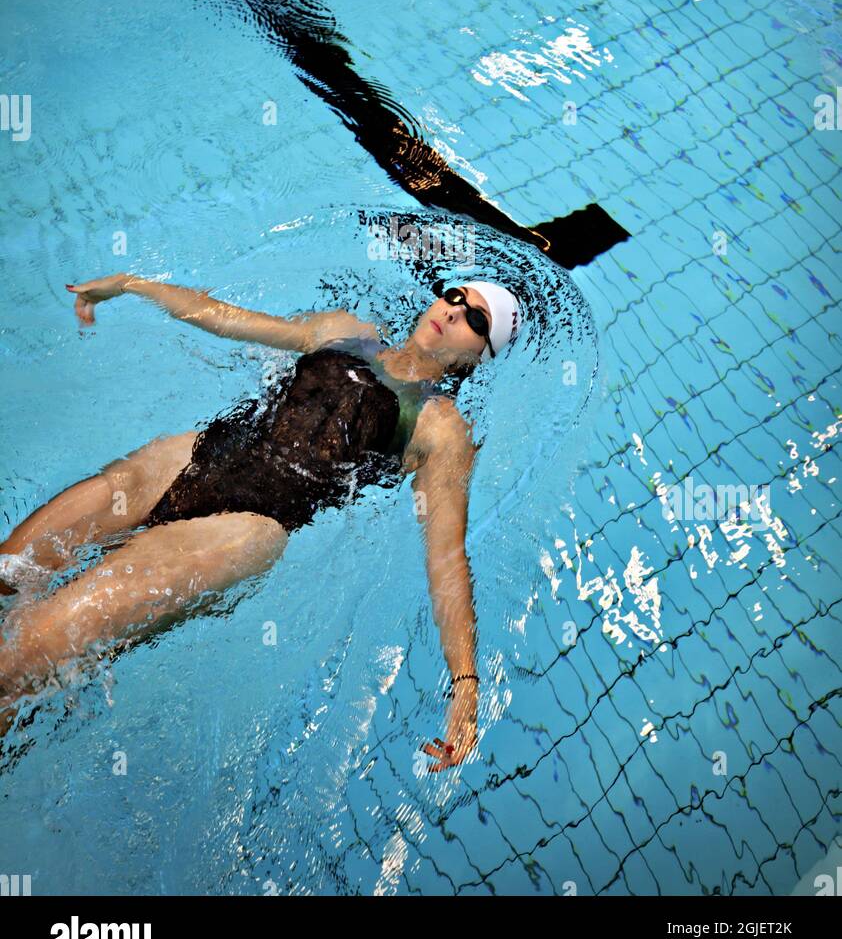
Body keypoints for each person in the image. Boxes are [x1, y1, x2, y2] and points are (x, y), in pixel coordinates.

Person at [0, 271, 522, 769]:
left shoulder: (442, 428)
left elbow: (446, 556)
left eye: (477, 321)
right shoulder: (346, 332)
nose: (455, 312)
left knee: (33, 647)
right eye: (456, 296)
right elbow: (221, 315)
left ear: (478, 357)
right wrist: (131, 286)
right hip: (189, 459)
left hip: (245, 525)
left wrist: (466, 685)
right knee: (9, 571)